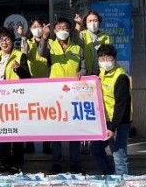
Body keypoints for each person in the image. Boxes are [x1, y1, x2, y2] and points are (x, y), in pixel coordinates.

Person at [37, 18, 86, 174]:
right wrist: (44, 37)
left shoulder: (77, 47)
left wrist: (82, 72)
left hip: (74, 94)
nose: (62, 30)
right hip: (55, 93)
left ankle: (75, 162)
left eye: (65, 27)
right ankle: (56, 161)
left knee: (75, 129)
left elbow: (84, 67)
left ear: (70, 30)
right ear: (55, 31)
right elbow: (41, 53)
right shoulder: (50, 45)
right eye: (59, 28)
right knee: (56, 129)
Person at [0, 27, 30, 173]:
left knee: (17, 131)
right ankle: (4, 162)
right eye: (1, 39)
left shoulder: (20, 55)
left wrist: (19, 69)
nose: (4, 42)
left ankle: (17, 162)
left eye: (7, 39)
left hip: (16, 99)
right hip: (0, 99)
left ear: (12, 40)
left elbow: (28, 77)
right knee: (4, 131)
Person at [89, 44, 131, 175]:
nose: (105, 62)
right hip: (104, 120)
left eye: (108, 58)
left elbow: (121, 104)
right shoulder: (102, 73)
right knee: (96, 149)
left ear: (114, 58)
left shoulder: (121, 76)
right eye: (101, 59)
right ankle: (111, 176)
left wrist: (113, 127)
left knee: (119, 156)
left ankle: (123, 185)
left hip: (117, 122)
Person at [18, 18, 51, 154]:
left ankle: (47, 144)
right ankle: (29, 143)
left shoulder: (51, 42)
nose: (37, 28)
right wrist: (23, 37)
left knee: (47, 116)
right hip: (31, 83)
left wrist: (45, 37)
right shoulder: (28, 42)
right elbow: (24, 54)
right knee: (30, 115)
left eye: (39, 25)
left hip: (47, 82)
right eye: (34, 26)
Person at [74, 11, 111, 76]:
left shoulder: (105, 37)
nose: (93, 23)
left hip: (101, 74)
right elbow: (75, 42)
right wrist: (78, 25)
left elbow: (110, 54)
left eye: (95, 20)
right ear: (86, 23)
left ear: (99, 22)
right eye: (90, 21)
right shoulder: (82, 34)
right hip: (85, 73)